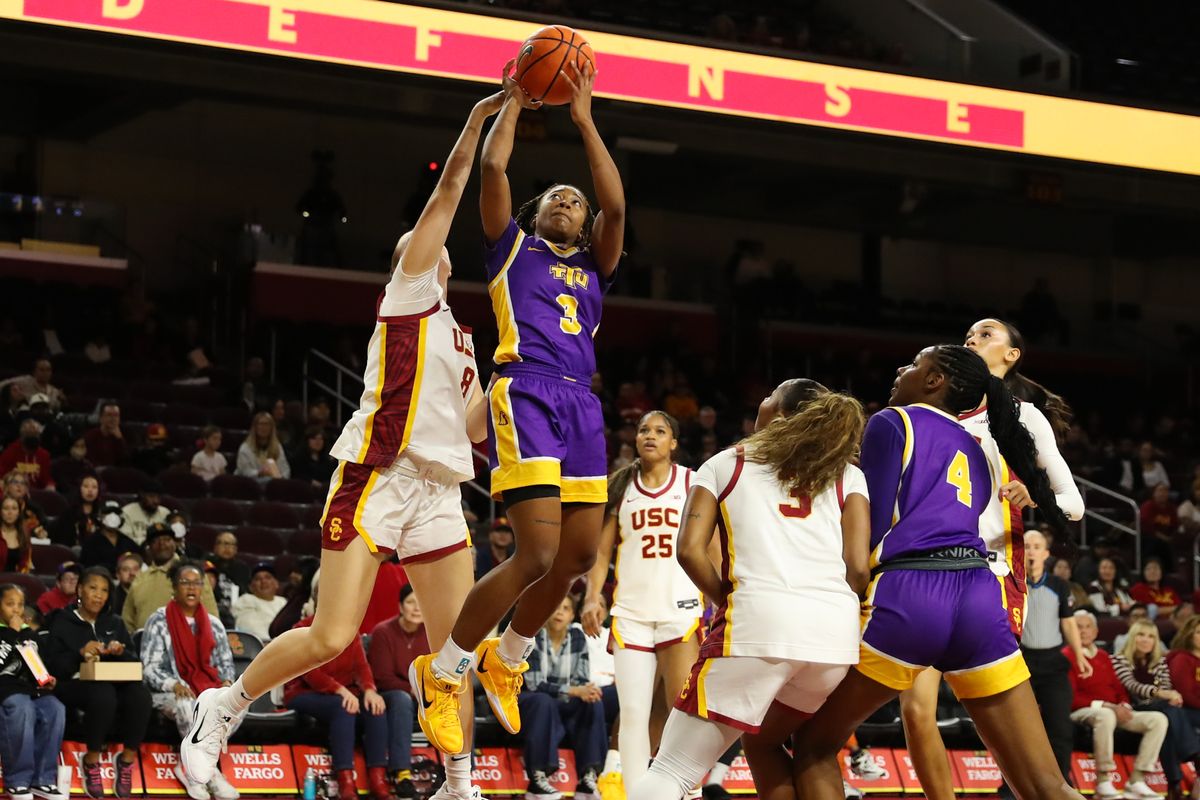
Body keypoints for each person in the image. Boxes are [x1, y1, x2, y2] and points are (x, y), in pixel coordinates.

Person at [180, 87, 506, 800]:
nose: (431, 247)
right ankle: (222, 707)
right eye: (419, 245)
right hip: (378, 474)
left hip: (439, 490)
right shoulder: (408, 294)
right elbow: (450, 190)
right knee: (332, 636)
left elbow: (477, 425)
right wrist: (479, 124)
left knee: (456, 654)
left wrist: (518, 372)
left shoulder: (461, 334)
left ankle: (458, 782)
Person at [413, 57, 626, 762]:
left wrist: (585, 120)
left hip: (582, 406)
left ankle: (508, 655)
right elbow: (496, 172)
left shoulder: (595, 262)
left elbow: (617, 207)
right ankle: (443, 673)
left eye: (575, 199)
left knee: (578, 555)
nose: (568, 201)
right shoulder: (512, 250)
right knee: (533, 553)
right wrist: (513, 101)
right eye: (556, 196)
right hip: (527, 390)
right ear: (535, 216)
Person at [780, 345, 1081, 800]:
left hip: (911, 592)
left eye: (914, 364)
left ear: (935, 380)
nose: (901, 369)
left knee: (812, 748)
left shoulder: (890, 422)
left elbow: (873, 528)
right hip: (980, 593)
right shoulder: (980, 449)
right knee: (1044, 784)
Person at [624, 378, 867, 800]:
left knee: (671, 770)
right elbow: (859, 568)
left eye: (770, 395)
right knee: (770, 744)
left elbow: (688, 551)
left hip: (758, 626)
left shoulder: (727, 462)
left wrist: (725, 599)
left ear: (781, 414)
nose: (762, 400)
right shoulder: (847, 473)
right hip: (833, 642)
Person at [897, 318, 1086, 799]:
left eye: (985, 335)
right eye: (967, 337)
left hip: (991, 576)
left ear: (1012, 355)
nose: (972, 340)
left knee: (1006, 744)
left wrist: (1034, 493)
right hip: (926, 573)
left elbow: (1073, 503)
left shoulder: (1022, 417)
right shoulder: (929, 413)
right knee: (916, 711)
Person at [581, 411, 705, 796]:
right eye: (643, 430)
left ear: (673, 443)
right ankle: (636, 792)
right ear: (635, 439)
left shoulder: (691, 481)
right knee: (633, 714)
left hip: (680, 610)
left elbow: (710, 545)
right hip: (631, 613)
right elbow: (601, 555)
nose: (650, 436)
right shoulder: (621, 488)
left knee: (682, 712)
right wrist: (591, 596)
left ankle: (690, 791)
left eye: (660, 431)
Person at [43, 567, 151, 800]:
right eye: (93, 588)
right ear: (80, 589)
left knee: (140, 695)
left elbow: (134, 663)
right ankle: (91, 760)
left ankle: (126, 760)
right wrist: (80, 653)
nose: (98, 595)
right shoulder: (62, 620)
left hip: (112, 680)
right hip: (71, 684)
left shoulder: (115, 622)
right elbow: (53, 666)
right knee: (102, 695)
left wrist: (119, 651)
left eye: (104, 590)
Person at [140, 562, 239, 800]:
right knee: (189, 706)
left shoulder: (214, 624)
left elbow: (226, 665)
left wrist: (226, 683)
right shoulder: (159, 620)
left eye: (197, 583)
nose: (192, 588)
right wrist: (173, 684)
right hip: (170, 692)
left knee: (237, 706)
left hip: (208, 689)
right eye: (185, 582)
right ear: (174, 587)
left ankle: (195, 768)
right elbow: (149, 667)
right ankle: (204, 774)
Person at [283, 584, 392, 800]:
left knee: (375, 707)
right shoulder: (302, 629)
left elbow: (361, 666)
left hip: (343, 694)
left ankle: (378, 778)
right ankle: (345, 782)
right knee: (343, 707)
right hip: (303, 693)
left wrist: (370, 690)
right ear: (317, 600)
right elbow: (309, 672)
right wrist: (339, 690)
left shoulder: (350, 631)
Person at [1011, 530, 1091, 781]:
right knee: (1015, 728)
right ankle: (1011, 787)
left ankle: (1062, 785)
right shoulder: (1011, 581)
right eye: (1027, 546)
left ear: (1046, 554)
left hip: (1053, 664)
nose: (1032, 550)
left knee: (1060, 728)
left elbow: (1068, 624)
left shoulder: (1059, 585)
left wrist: (1079, 655)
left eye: (1037, 546)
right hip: (1020, 662)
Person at [1067, 611, 1168, 800]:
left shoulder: (1104, 656)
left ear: (1096, 632)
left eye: (1088, 627)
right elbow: (1070, 698)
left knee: (1158, 719)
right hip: (1081, 710)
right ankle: (1103, 779)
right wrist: (1107, 706)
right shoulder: (1066, 655)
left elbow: (1119, 688)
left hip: (1113, 710)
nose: (1083, 631)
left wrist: (1124, 705)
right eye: (1078, 627)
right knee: (1106, 715)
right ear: (1070, 630)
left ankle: (1137, 780)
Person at [520, 596, 608, 799]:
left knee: (592, 702)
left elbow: (582, 678)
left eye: (566, 608)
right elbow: (534, 683)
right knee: (543, 701)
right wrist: (573, 691)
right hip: (531, 702)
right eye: (556, 607)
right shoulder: (533, 636)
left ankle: (588, 777)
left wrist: (583, 691)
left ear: (572, 616)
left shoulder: (577, 636)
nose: (560, 612)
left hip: (561, 702)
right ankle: (538, 779)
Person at [1111, 619, 1200, 796]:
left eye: (1151, 636)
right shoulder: (1118, 659)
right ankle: (1194, 755)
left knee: (1167, 720)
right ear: (1132, 638)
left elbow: (1167, 687)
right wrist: (1160, 693)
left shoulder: (1159, 662)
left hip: (1159, 709)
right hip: (1134, 709)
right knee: (1170, 712)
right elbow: (1132, 686)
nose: (1146, 640)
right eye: (1141, 635)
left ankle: (1174, 784)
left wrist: (1168, 696)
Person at [0, 583, 67, 800]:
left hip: (31, 689)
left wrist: (47, 678)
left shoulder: (27, 632)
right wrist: (11, 631)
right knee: (22, 707)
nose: (16, 610)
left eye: (20, 605)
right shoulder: (6, 631)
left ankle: (43, 779)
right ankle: (17, 781)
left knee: (55, 708)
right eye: (10, 604)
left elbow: (42, 662)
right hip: (5, 689)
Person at [366, 584, 430, 800]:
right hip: (390, 696)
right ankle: (402, 774)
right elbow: (382, 677)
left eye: (421, 603)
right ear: (400, 606)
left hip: (423, 696)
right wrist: (412, 689)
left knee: (458, 700)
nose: (417, 608)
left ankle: (464, 772)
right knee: (401, 700)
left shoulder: (431, 632)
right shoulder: (383, 631)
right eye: (411, 602)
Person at [123, 523, 219, 632]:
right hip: (146, 645)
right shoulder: (139, 580)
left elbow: (211, 615)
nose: (162, 544)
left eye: (167, 539)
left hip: (187, 645)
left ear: (175, 544)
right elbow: (128, 621)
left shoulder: (193, 574)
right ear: (148, 548)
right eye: (156, 541)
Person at [80, 500, 140, 574]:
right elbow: (88, 569)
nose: (113, 516)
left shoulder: (128, 542)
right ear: (99, 516)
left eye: (116, 513)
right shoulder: (91, 543)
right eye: (108, 513)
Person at [231, 563, 286, 643]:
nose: (263, 581)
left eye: (268, 577)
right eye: (257, 579)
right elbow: (249, 627)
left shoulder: (283, 602)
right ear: (251, 587)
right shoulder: (245, 600)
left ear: (276, 584)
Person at [0, 419, 54, 490]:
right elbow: (2, 476)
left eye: (35, 434)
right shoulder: (10, 452)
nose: (33, 438)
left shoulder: (44, 455)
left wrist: (50, 486)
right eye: (29, 434)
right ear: (22, 436)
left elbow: (47, 478)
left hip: (37, 492)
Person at [51, 473, 101, 548]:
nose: (90, 490)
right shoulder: (68, 514)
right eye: (86, 486)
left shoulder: (101, 514)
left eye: (94, 487)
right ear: (79, 489)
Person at [235, 413, 291, 481]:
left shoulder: (277, 447)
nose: (264, 427)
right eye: (261, 424)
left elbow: (285, 469)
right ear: (255, 427)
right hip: (251, 483)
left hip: (273, 483)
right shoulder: (245, 448)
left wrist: (281, 478)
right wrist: (259, 473)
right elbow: (244, 471)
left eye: (267, 424)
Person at [0, 358, 66, 412]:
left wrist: (63, 402)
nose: (45, 373)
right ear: (34, 371)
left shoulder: (55, 391)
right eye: (42, 370)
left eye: (48, 370)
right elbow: (2, 384)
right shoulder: (25, 381)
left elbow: (56, 409)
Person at [1141, 485, 1182, 568]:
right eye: (1160, 491)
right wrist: (1163, 537)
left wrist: (1171, 537)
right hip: (1149, 537)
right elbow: (1146, 525)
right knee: (1157, 543)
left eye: (1165, 491)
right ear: (1153, 493)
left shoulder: (1171, 508)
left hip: (1167, 537)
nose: (1163, 493)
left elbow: (1175, 525)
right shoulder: (1148, 506)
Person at [290, 426, 336, 490]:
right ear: (307, 441)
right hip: (304, 490)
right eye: (314, 438)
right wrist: (312, 482)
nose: (318, 442)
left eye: (321, 439)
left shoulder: (328, 458)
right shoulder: (299, 457)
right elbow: (298, 476)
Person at [83, 402, 126, 468]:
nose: (113, 419)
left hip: (116, 473)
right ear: (101, 418)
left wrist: (119, 439)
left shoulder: (125, 434)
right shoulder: (91, 435)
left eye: (116, 415)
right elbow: (89, 460)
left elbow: (126, 461)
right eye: (109, 415)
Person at [0, 496, 32, 573]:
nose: (10, 512)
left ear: (18, 512)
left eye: (14, 508)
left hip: (16, 581)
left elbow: (25, 564)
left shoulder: (24, 534)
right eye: (6, 508)